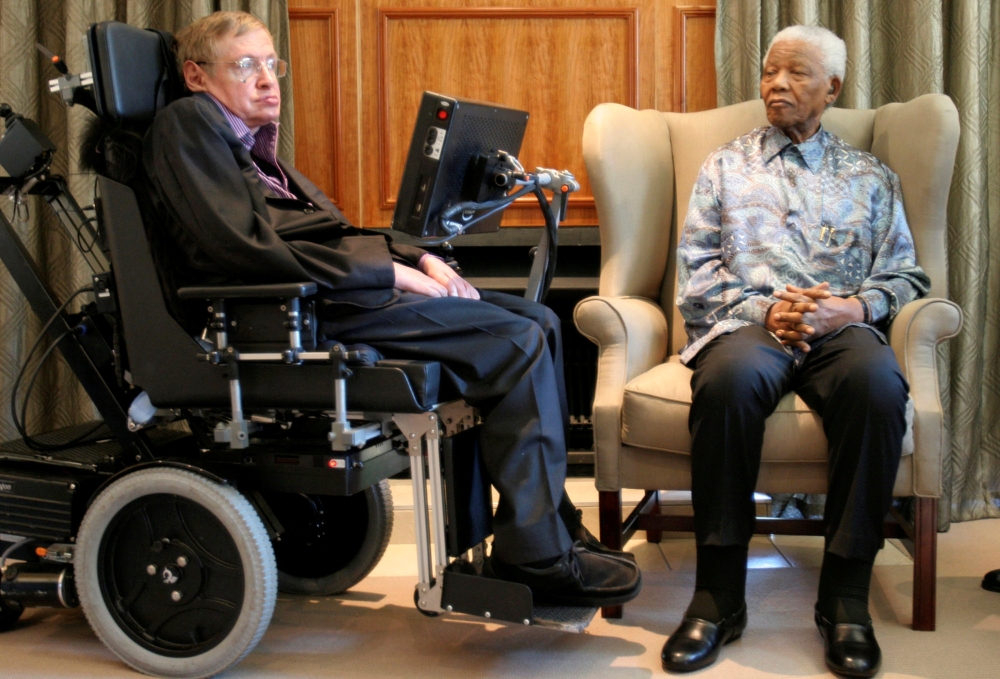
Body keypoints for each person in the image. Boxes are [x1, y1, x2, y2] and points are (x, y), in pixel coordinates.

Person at [141, 11, 640, 608]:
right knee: (518, 343)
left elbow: (334, 232)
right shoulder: (187, 124)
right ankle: (533, 555)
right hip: (304, 310)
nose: (268, 80)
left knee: (542, 323)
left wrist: (416, 258)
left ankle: (547, 522)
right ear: (196, 76)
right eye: (245, 66)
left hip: (344, 293)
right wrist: (390, 271)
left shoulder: (253, 149)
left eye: (272, 64)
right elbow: (244, 249)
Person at [660, 25, 930, 677]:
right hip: (749, 325)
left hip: (840, 328)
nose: (776, 85)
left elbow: (905, 275)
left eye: (796, 73)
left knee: (879, 388)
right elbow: (692, 269)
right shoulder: (725, 165)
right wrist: (765, 309)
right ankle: (718, 597)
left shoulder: (870, 175)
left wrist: (854, 308)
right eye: (769, 72)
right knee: (724, 386)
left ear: (832, 87)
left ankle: (844, 599)